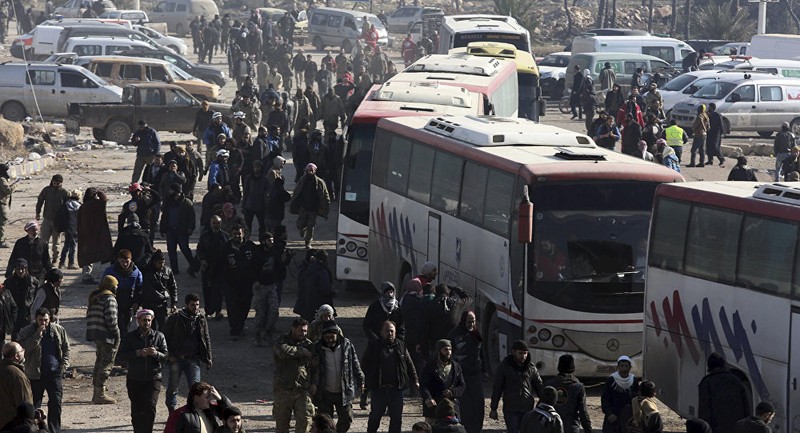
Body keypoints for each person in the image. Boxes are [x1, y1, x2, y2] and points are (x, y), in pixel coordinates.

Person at [17, 308, 68, 433]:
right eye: (40, 320)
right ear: (35, 319)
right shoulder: (26, 331)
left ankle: (54, 429)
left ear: (49, 318)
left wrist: (64, 366)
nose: (43, 323)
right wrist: (36, 336)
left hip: (54, 373)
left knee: (55, 403)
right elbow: (23, 350)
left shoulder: (58, 330)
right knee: (34, 405)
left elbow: (66, 348)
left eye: (46, 320)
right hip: (34, 375)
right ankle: (34, 429)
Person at [362, 321, 418, 433]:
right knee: (375, 417)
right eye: (387, 331)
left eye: (392, 331)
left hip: (396, 390)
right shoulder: (374, 346)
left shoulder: (401, 345)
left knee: (396, 419)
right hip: (379, 389)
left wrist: (415, 380)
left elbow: (409, 363)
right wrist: (367, 381)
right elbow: (364, 364)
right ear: (381, 332)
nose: (390, 333)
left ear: (396, 332)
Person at [119, 309, 168, 433]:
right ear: (138, 321)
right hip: (135, 378)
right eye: (144, 320)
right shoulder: (130, 337)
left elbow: (166, 357)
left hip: (153, 378)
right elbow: (121, 356)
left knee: (150, 406)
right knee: (137, 410)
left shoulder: (159, 336)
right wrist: (137, 353)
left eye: (149, 320)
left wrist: (156, 354)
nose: (146, 323)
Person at [310, 320, 364, 433]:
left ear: (337, 334)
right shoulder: (317, 348)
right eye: (327, 337)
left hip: (343, 391)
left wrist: (361, 380)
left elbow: (355, 363)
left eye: (332, 337)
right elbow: (313, 369)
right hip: (324, 392)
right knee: (324, 422)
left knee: (346, 419)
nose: (329, 339)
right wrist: (313, 384)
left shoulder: (347, 345)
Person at [163, 293, 212, 413]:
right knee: (173, 387)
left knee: (196, 389)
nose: (195, 307)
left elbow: (206, 338)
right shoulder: (175, 319)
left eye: (197, 305)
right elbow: (164, 338)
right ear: (186, 305)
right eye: (192, 305)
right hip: (177, 359)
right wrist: (169, 355)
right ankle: (172, 412)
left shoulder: (200, 319)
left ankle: (193, 412)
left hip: (193, 359)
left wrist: (208, 357)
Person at [490, 340, 545, 433]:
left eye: (525, 353)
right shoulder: (505, 367)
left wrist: (544, 403)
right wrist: (493, 408)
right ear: (513, 352)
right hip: (511, 409)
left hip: (527, 408)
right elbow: (497, 388)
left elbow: (540, 387)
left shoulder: (531, 368)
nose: (523, 356)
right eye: (520, 353)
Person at [273, 318, 315, 433]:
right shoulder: (282, 340)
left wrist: (314, 383)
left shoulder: (308, 344)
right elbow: (282, 351)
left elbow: (314, 365)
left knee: (305, 422)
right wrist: (302, 352)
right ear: (293, 329)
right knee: (282, 424)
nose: (304, 334)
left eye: (305, 331)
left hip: (302, 389)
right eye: (301, 331)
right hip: (283, 389)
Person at [447, 311, 485, 433]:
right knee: (465, 406)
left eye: (473, 321)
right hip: (461, 376)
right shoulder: (455, 335)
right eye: (469, 321)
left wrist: (484, 370)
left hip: (476, 375)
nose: (472, 324)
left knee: (478, 404)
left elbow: (482, 354)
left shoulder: (477, 335)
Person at [85, 275, 119, 404]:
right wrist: (116, 334)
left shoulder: (95, 297)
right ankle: (100, 394)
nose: (117, 288)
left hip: (97, 335)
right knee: (106, 363)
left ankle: (97, 392)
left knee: (99, 362)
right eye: (116, 285)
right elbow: (111, 320)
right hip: (106, 336)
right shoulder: (109, 299)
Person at [698, 352, 752, 433]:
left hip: (717, 429)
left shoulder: (707, 382)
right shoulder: (736, 380)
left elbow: (704, 412)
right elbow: (747, 407)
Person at [221, 225, 258, 338]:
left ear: (243, 233)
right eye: (235, 234)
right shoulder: (226, 248)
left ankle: (240, 326)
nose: (237, 236)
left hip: (246, 283)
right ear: (231, 234)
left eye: (239, 233)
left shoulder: (250, 246)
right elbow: (221, 264)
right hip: (230, 283)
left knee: (245, 305)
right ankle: (234, 329)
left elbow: (257, 262)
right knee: (232, 307)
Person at [419, 339, 465, 425]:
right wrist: (428, 398)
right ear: (439, 351)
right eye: (445, 349)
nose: (448, 352)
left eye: (450, 349)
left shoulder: (456, 366)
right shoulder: (430, 366)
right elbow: (424, 385)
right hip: (434, 408)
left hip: (451, 409)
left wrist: (452, 392)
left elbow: (461, 385)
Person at [544, 355, 592, 433]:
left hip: (552, 426)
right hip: (571, 427)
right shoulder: (578, 387)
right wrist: (588, 430)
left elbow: (542, 408)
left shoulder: (549, 384)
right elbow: (583, 412)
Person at [103, 250, 143, 339]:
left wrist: (137, 302)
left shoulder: (136, 272)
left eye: (127, 262)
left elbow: (139, 289)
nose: (125, 264)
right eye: (122, 261)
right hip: (114, 302)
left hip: (129, 304)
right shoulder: (110, 271)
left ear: (131, 260)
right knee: (118, 327)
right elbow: (103, 287)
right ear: (118, 260)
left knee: (126, 325)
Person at [195, 216, 228, 320]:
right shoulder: (205, 236)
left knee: (218, 291)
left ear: (220, 224)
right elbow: (199, 250)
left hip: (220, 268)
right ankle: (209, 311)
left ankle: (218, 311)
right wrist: (203, 260)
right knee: (207, 290)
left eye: (217, 223)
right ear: (210, 223)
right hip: (208, 268)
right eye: (214, 223)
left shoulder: (225, 236)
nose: (215, 225)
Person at [290, 163, 330, 248]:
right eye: (308, 170)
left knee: (310, 226)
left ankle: (308, 242)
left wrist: (326, 206)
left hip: (313, 208)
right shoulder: (302, 180)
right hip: (303, 207)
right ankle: (302, 229)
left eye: (312, 170)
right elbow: (296, 192)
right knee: (300, 224)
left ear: (315, 171)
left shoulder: (320, 182)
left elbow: (325, 195)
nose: (310, 172)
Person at [159, 184, 196, 275]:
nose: (170, 192)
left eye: (171, 190)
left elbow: (192, 217)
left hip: (182, 230)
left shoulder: (187, 203)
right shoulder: (168, 202)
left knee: (185, 249)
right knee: (171, 251)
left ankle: (194, 266)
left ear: (177, 192)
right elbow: (164, 216)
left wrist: (191, 228)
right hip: (170, 230)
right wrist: (162, 228)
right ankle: (175, 270)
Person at [139, 250, 177, 331]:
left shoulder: (167, 271)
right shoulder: (146, 271)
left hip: (162, 304)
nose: (162, 265)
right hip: (148, 304)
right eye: (159, 263)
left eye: (163, 262)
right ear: (154, 262)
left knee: (164, 327)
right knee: (149, 328)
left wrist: (174, 302)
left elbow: (173, 287)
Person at [601, 356, 638, 433]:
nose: (624, 369)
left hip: (628, 416)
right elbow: (605, 398)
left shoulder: (633, 380)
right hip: (613, 415)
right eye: (622, 366)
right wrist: (609, 413)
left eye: (626, 366)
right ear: (618, 367)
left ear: (630, 367)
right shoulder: (611, 379)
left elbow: (636, 398)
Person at [294, 249, 334, 323]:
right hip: (319, 304)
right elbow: (326, 289)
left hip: (305, 304)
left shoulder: (306, 269)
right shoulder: (321, 271)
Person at [35, 174, 67, 264]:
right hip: (47, 219)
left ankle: (55, 259)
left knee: (56, 243)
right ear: (52, 181)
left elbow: (67, 207)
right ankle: (43, 259)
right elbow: (40, 201)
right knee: (43, 241)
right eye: (55, 182)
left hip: (58, 222)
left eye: (59, 182)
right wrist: (38, 213)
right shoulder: (46, 190)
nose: (56, 184)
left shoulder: (64, 193)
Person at [0, 342, 33, 428]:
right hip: (12, 426)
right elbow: (25, 405)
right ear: (17, 356)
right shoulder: (17, 376)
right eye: (22, 350)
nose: (24, 351)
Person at [4, 260, 37, 342]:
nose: (20, 271)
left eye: (22, 268)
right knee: (15, 337)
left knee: (29, 336)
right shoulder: (9, 282)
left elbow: (36, 298)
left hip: (27, 312)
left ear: (26, 269)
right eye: (18, 269)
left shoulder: (33, 282)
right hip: (14, 313)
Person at [55, 189, 80, 269]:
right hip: (74, 228)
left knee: (66, 245)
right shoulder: (79, 206)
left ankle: (61, 263)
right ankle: (71, 263)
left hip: (67, 228)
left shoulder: (65, 204)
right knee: (72, 246)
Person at [131, 120, 162, 184]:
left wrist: (155, 153)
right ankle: (133, 184)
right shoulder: (137, 132)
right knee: (137, 171)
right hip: (140, 155)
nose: (141, 128)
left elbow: (158, 143)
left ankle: (152, 183)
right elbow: (133, 143)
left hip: (150, 155)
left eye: (142, 126)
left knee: (150, 170)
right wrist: (136, 141)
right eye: (140, 127)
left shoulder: (151, 131)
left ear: (145, 125)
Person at [0, 163, 17, 248]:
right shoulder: (2, 179)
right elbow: (8, 191)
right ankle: (1, 241)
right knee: (2, 222)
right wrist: (15, 185)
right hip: (1, 204)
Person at [705, 103, 725, 167]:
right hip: (709, 133)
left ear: (712, 107)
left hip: (716, 133)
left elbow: (721, 125)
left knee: (715, 146)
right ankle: (710, 160)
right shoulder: (708, 114)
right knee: (708, 146)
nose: (708, 108)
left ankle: (721, 159)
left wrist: (721, 133)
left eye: (709, 107)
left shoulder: (717, 115)